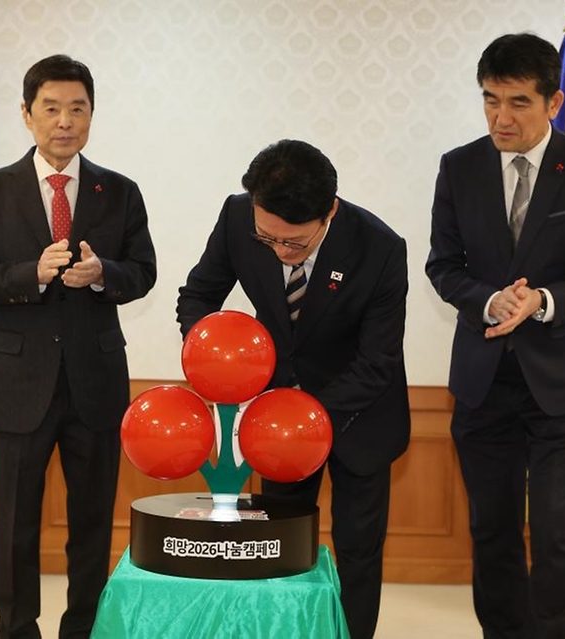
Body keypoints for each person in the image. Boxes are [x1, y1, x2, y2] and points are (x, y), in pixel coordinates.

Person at [425, 33, 565, 639]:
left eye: (518, 102)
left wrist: (541, 301)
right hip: (484, 382)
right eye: (490, 100)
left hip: (561, 382)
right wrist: (490, 300)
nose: (500, 118)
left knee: (557, 529)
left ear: (553, 101)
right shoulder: (459, 167)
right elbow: (444, 265)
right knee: (492, 527)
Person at [0, 54, 156, 639]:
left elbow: (143, 271)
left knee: (92, 523)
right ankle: (17, 629)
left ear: (91, 114)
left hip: (96, 380)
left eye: (77, 109)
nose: (65, 121)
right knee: (14, 524)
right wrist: (30, 275)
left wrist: (104, 273)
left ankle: (84, 629)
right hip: (19, 383)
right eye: (51, 108)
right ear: (27, 114)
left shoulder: (120, 191)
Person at [176, 139, 410, 639]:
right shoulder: (237, 216)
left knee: (358, 552)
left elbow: (378, 361)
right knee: (278, 546)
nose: (281, 252)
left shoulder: (380, 248)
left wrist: (301, 416)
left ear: (330, 211)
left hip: (358, 415)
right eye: (268, 240)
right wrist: (212, 355)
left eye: (295, 244)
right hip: (274, 420)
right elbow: (197, 296)